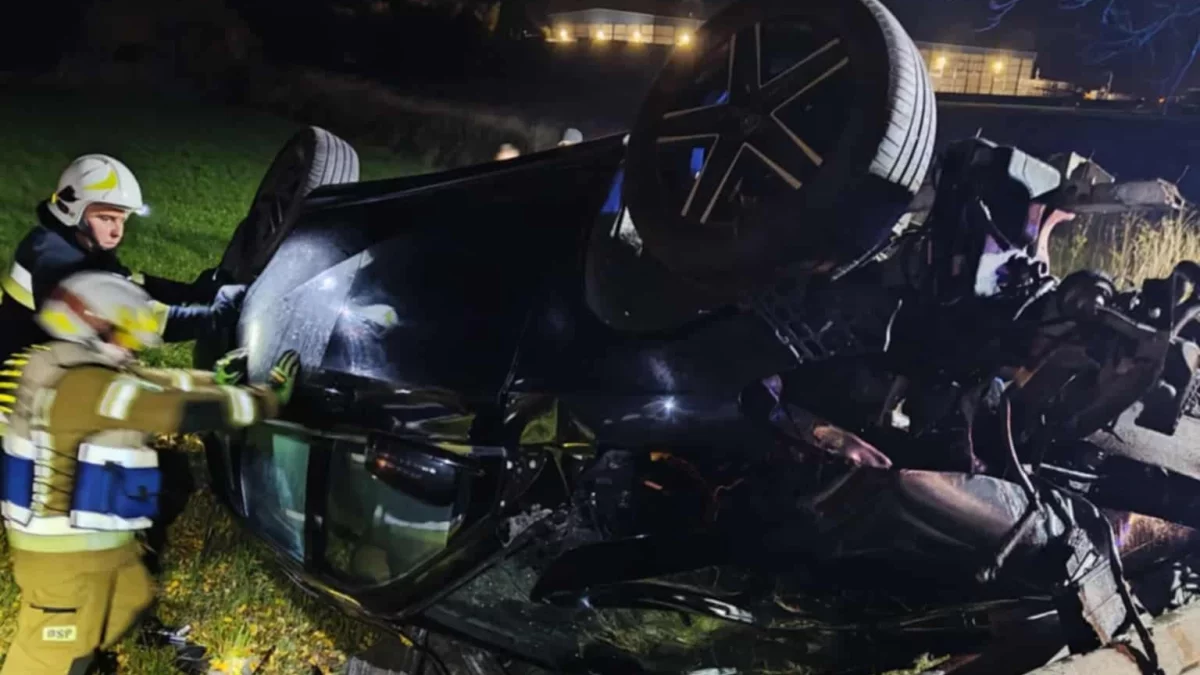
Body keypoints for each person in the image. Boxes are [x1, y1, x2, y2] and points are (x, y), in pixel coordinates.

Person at [0, 271, 301, 675]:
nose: (131, 347)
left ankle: (85, 658)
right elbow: (171, 408)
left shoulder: (68, 368)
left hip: (94, 549)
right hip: (64, 563)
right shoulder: (86, 387)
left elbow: (158, 383)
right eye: (126, 334)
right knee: (51, 652)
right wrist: (265, 401)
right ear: (99, 328)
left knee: (130, 595)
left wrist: (216, 381)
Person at [0, 154, 244, 360]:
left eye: (122, 219)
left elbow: (131, 282)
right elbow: (143, 317)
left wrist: (195, 292)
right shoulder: (53, 254)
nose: (117, 231)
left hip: (46, 366)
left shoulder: (77, 245)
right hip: (19, 383)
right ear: (73, 210)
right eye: (106, 218)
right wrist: (217, 316)